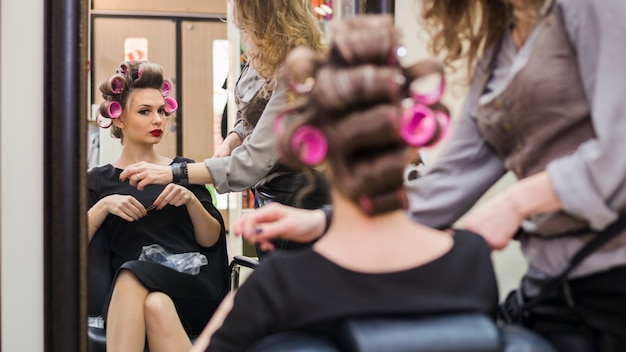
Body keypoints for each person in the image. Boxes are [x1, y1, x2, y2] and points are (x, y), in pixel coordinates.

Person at [237, 1, 626, 350]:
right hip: (551, 285)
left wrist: (517, 203)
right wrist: (325, 221)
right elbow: (449, 178)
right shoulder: (502, 43)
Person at [189, 15, 499, 352]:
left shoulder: (277, 286)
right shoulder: (471, 260)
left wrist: (233, 309)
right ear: (412, 141)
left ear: (316, 146)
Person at [118, 0, 330, 258]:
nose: (238, 21)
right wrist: (232, 139)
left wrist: (172, 173)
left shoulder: (297, 71)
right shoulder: (263, 56)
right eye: (144, 111)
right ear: (118, 119)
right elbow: (254, 114)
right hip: (269, 192)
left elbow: (251, 163)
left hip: (297, 197)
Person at [88, 60, 228, 351]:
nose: (159, 120)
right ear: (119, 119)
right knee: (156, 303)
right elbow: (68, 248)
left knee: (130, 273)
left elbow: (211, 238)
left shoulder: (182, 170)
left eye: (162, 111)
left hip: (191, 290)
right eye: (145, 111)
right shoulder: (98, 181)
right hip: (130, 300)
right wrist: (102, 207)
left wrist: (190, 200)